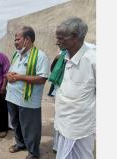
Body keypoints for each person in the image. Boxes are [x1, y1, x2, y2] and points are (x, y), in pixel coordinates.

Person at [51, 17, 96, 159]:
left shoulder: (94, 59)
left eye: (61, 38)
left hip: (80, 128)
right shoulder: (63, 57)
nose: (57, 42)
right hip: (63, 122)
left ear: (75, 37)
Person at [6, 26, 50, 159]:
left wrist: (19, 77)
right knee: (16, 124)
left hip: (28, 101)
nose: (15, 42)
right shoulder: (16, 54)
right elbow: (11, 71)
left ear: (27, 39)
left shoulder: (40, 56)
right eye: (15, 39)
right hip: (12, 98)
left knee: (30, 128)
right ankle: (20, 144)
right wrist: (8, 75)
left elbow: (42, 79)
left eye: (17, 39)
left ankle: (33, 152)